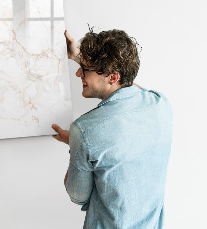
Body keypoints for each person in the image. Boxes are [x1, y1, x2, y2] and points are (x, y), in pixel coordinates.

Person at [52, 29, 172, 228]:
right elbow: (130, 88)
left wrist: (76, 143)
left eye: (85, 69)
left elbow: (77, 196)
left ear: (113, 77)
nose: (78, 73)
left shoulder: (84, 130)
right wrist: (78, 57)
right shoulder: (160, 104)